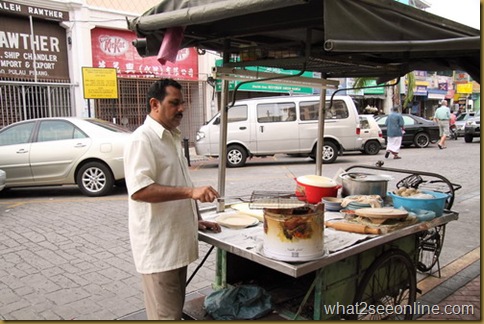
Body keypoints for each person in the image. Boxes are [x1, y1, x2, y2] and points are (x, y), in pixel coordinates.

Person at [123, 78, 222, 320]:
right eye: (174, 103)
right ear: (155, 104)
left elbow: (176, 180)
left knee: (173, 313)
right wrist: (191, 193)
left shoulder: (171, 135)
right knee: (165, 317)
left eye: (182, 103)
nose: (181, 109)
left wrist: (195, 219)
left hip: (176, 244)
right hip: (159, 249)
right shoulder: (142, 139)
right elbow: (140, 190)